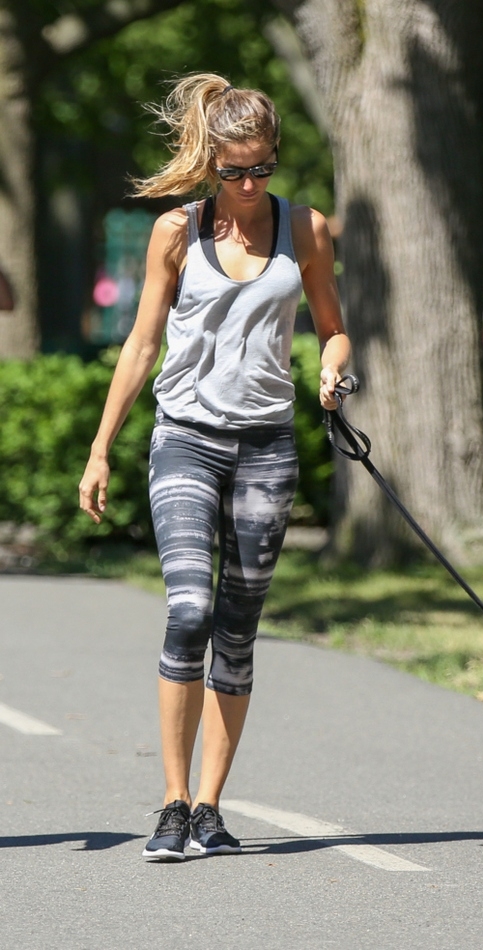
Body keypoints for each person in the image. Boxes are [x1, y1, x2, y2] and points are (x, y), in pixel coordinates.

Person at [78, 73, 350, 861]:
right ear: (209, 165)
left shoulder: (307, 230)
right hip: (185, 438)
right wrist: (100, 449)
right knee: (189, 606)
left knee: (238, 623)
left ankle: (209, 806)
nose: (249, 184)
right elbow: (141, 344)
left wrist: (334, 369)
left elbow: (334, 328)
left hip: (266, 443)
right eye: (233, 171)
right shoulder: (176, 233)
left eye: (262, 167)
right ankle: (169, 802)